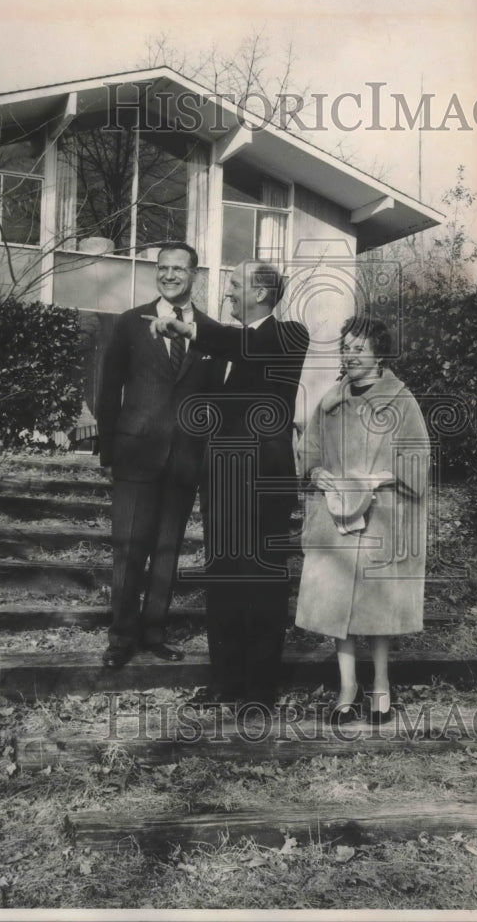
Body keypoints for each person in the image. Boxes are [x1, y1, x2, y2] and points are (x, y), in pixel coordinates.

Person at [146, 261, 309, 707]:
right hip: (220, 483)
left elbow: (247, 344)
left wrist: (185, 328)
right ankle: (224, 684)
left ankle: (259, 690)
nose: (228, 293)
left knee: (263, 584)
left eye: (235, 285)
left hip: (263, 485)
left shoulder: (288, 334)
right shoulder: (227, 348)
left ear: (260, 293)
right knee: (224, 582)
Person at [295, 317, 429, 724]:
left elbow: (418, 460)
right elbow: (310, 453)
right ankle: (347, 688)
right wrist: (318, 474)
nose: (350, 355)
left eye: (359, 348)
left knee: (377, 608)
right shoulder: (330, 402)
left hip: (383, 518)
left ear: (379, 354)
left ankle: (382, 687)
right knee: (337, 608)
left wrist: (380, 477)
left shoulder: (402, 401)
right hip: (336, 517)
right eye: (346, 347)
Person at [96, 242, 222, 667]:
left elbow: (212, 402)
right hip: (136, 454)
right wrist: (108, 449)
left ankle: (154, 633)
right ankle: (121, 639)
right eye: (163, 268)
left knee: (168, 549)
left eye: (178, 269)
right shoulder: (130, 323)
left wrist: (206, 455)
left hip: (184, 459)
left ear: (195, 274)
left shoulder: (209, 330)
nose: (169, 275)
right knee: (129, 549)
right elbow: (108, 388)